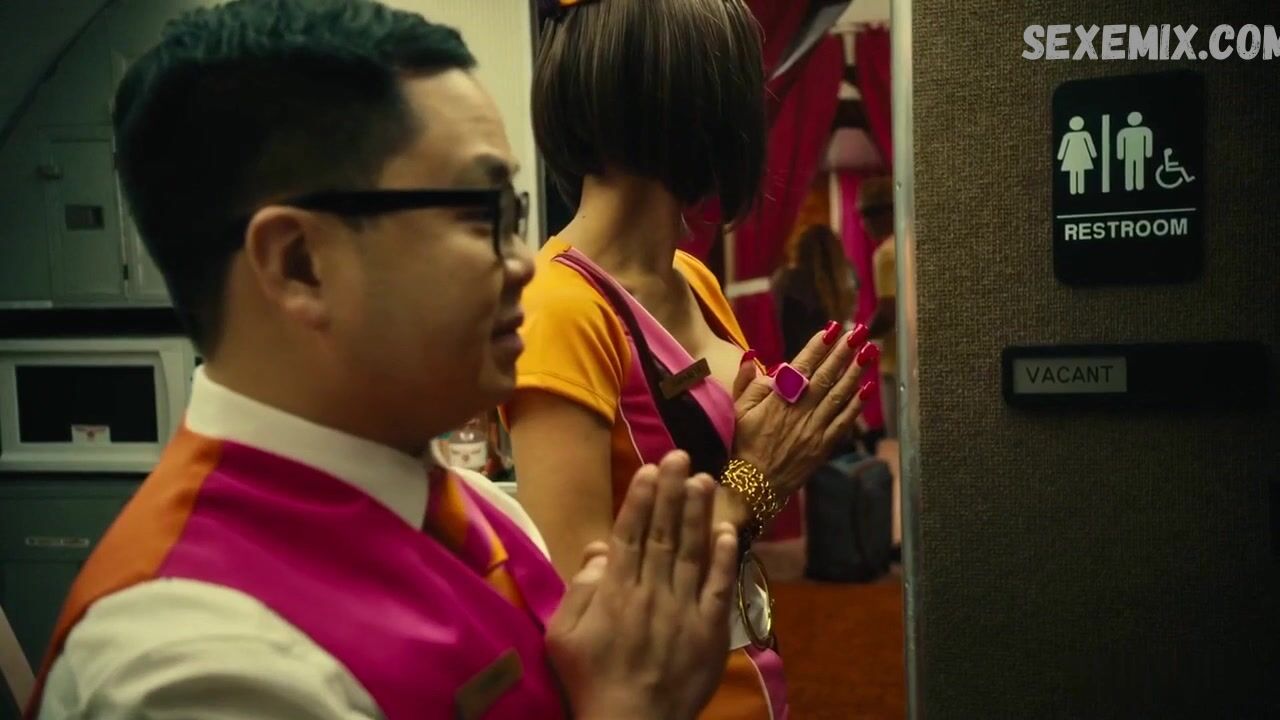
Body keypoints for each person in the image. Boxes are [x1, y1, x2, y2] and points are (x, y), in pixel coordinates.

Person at [25, 2, 743, 718]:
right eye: (480, 214)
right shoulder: (192, 664)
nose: (526, 263)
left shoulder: (479, 511)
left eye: (513, 213)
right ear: (301, 264)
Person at [506, 0, 877, 717]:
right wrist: (756, 482)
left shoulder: (692, 276)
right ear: (707, 110)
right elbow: (586, 614)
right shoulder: (560, 306)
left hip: (746, 671)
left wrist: (781, 442)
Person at [771, 224, 863, 361]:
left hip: (798, 358)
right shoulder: (848, 274)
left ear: (800, 249)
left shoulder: (789, 280)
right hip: (838, 355)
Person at [860, 176, 898, 438]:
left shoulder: (886, 253)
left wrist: (856, 338)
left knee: (897, 440)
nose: (864, 223)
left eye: (868, 214)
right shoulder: (911, 244)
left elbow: (888, 313)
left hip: (895, 361)